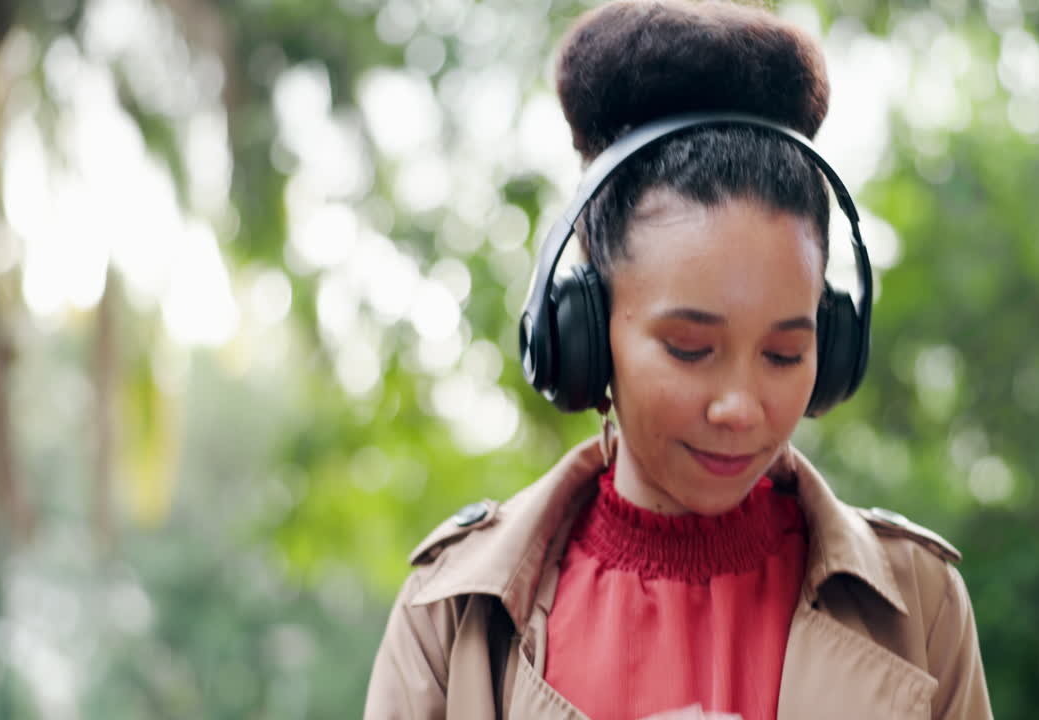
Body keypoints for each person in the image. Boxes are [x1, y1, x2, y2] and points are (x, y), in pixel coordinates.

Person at [364, 1, 992, 718]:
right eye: (690, 349)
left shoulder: (922, 605)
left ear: (835, 345)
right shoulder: (452, 615)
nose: (740, 407)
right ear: (587, 333)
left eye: (785, 354)